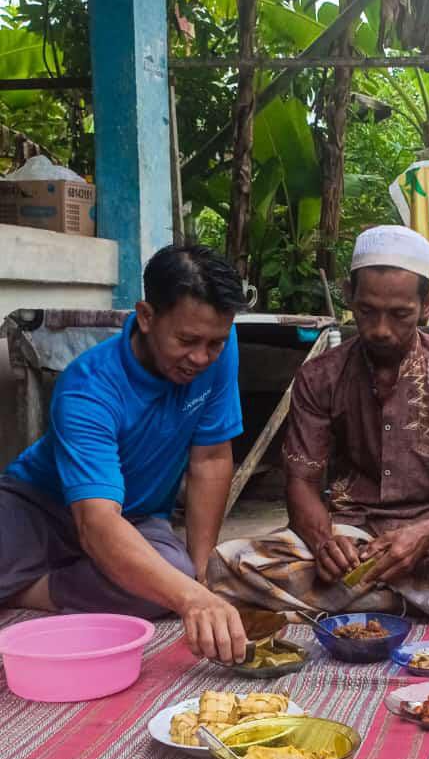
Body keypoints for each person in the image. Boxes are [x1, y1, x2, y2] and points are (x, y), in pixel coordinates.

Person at [208, 225, 429, 626]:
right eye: (367, 311)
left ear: (428, 304)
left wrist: (424, 532)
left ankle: (377, 596)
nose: (381, 330)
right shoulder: (320, 376)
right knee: (227, 565)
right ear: (349, 295)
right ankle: (424, 599)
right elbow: (301, 482)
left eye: (400, 314)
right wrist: (324, 543)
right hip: (349, 536)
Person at [0, 244, 249, 664]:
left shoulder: (216, 348)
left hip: (135, 519)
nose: (202, 358)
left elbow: (210, 458)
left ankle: (30, 589)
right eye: (187, 341)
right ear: (147, 317)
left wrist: (202, 575)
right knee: (169, 587)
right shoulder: (88, 387)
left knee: (177, 573)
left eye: (215, 344)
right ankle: (53, 576)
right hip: (39, 505)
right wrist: (191, 600)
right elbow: (96, 522)